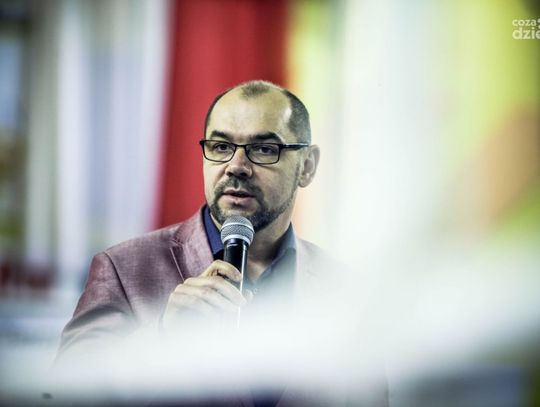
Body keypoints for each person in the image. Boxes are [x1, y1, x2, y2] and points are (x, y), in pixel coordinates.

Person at [56, 80, 387, 406]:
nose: (236, 167)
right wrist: (164, 335)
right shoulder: (123, 269)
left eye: (264, 149)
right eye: (220, 146)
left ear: (307, 167)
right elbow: (70, 392)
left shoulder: (347, 293)